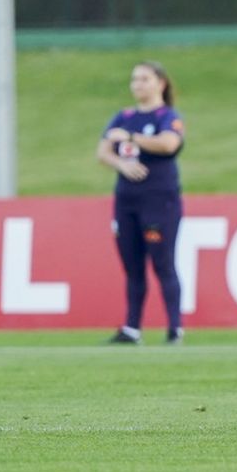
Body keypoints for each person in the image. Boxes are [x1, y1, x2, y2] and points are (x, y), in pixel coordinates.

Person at [96, 61, 186, 345]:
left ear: (160, 83)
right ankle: (132, 328)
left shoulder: (167, 116)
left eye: (145, 79)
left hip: (159, 200)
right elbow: (103, 151)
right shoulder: (122, 116)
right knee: (132, 265)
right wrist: (121, 165)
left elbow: (169, 144)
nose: (138, 84)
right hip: (126, 201)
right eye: (135, 79)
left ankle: (174, 328)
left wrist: (134, 138)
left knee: (163, 262)